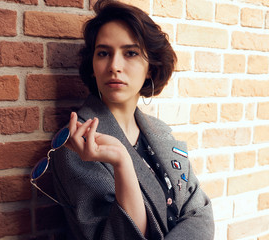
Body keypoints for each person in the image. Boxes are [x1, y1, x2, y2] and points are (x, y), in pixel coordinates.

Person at [50, 0, 215, 239]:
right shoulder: (76, 145)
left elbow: (201, 213)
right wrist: (122, 163)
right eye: (104, 53)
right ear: (93, 65)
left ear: (150, 67)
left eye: (131, 53)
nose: (115, 66)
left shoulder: (160, 133)